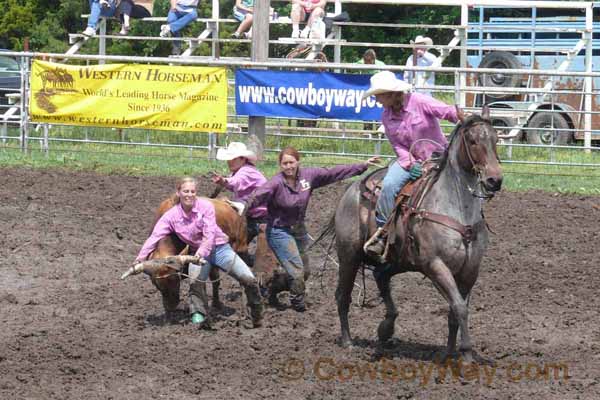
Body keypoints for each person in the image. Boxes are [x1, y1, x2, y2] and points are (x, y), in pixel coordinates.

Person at [248, 147, 380, 312]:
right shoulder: (275, 183)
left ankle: (272, 289)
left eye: (291, 162)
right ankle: (298, 306)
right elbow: (258, 195)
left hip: (299, 229)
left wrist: (362, 166)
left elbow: (333, 172)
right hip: (279, 231)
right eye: (284, 163)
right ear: (280, 165)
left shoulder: (309, 176)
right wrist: (243, 208)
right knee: (297, 272)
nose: (288, 166)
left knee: (304, 272)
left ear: (298, 162)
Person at [135, 177, 263, 328]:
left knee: (249, 279)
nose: (189, 195)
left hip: (220, 249)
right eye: (186, 191)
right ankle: (199, 315)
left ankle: (255, 315)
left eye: (192, 191)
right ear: (179, 193)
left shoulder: (206, 206)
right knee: (195, 282)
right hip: (197, 254)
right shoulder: (171, 216)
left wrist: (201, 253)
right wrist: (140, 259)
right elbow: (155, 236)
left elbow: (209, 234)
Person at [362, 71, 463, 260]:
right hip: (410, 161)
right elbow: (397, 146)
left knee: (465, 181)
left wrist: (461, 117)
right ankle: (383, 233)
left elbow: (445, 111)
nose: (376, 100)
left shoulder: (419, 101)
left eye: (378, 96)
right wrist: (412, 163)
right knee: (390, 185)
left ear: (391, 94)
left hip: (438, 156)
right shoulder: (386, 116)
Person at [211, 142, 268, 266]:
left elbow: (236, 182)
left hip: (263, 217)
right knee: (240, 250)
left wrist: (223, 181)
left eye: (233, 158)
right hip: (251, 216)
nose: (229, 161)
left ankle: (257, 264)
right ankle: (254, 264)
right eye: (229, 159)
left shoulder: (246, 171)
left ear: (242, 159)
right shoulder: (241, 171)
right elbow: (236, 184)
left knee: (259, 250)